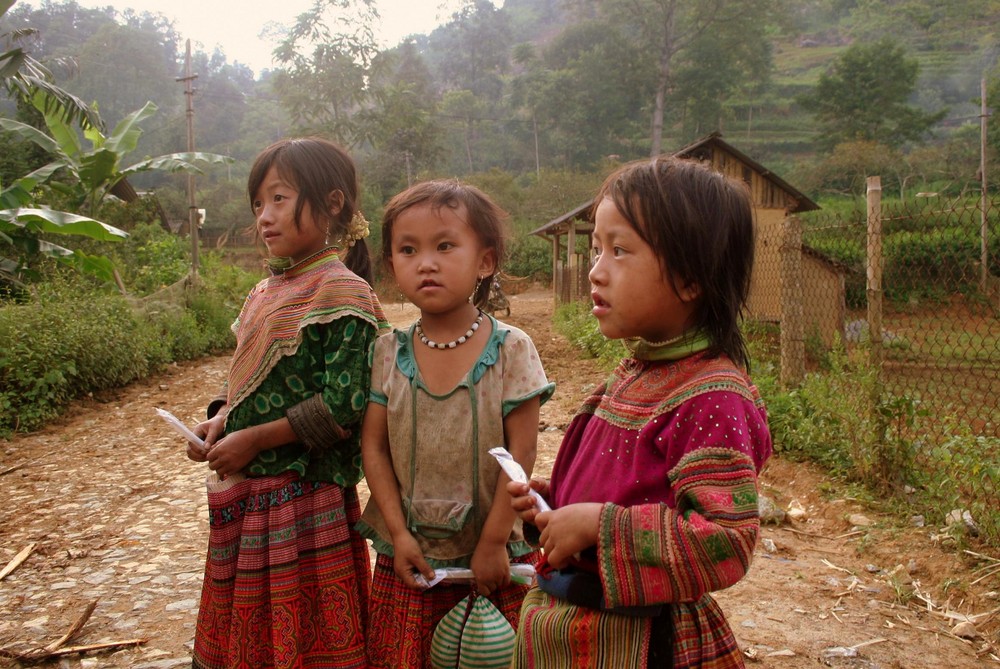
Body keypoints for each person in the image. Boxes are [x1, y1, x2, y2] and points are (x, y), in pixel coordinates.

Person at [507, 156, 773, 669]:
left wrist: (598, 526)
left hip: (643, 644)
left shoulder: (711, 398)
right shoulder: (634, 374)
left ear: (691, 278)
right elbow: (621, 487)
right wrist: (554, 505)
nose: (596, 270)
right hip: (575, 627)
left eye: (620, 250)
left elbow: (726, 540)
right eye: (596, 249)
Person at [186, 137, 388, 669]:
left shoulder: (342, 292)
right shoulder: (262, 291)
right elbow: (250, 385)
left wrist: (254, 438)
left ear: (333, 202)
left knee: (310, 637)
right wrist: (221, 422)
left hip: (304, 497)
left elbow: (345, 403)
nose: (265, 217)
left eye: (279, 198)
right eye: (258, 204)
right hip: (250, 494)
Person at [357, 179, 555, 668]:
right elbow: (375, 449)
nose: (426, 262)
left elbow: (521, 456)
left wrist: (492, 543)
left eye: (445, 246)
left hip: (492, 555)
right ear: (391, 266)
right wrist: (399, 536)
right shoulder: (387, 352)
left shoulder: (511, 349)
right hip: (412, 556)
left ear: (484, 261)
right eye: (409, 249)